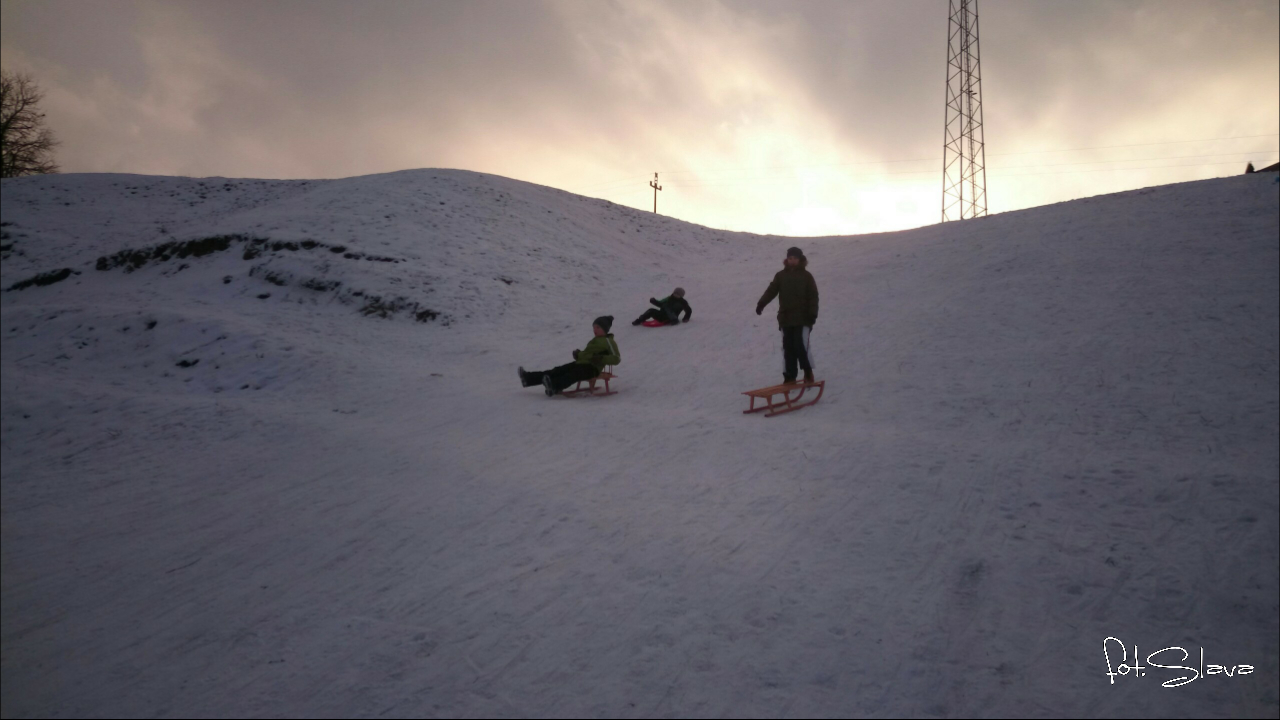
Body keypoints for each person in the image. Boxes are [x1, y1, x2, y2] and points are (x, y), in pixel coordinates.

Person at [756, 246, 819, 384]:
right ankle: (789, 376)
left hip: (803, 318)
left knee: (800, 344)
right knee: (787, 347)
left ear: (800, 259)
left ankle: (808, 371)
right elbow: (771, 290)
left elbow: (813, 296)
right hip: (786, 318)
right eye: (790, 258)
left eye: (795, 258)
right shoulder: (781, 276)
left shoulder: (807, 277)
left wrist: (812, 314)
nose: (792, 261)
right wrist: (761, 303)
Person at [518, 316, 621, 396]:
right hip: (581, 363)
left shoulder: (609, 342)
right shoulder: (593, 341)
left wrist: (602, 358)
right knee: (558, 370)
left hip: (592, 368)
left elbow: (616, 358)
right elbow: (586, 355)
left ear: (605, 329)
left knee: (574, 374)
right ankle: (528, 379)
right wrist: (578, 354)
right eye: (594, 327)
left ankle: (554, 386)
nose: (595, 329)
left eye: (598, 327)